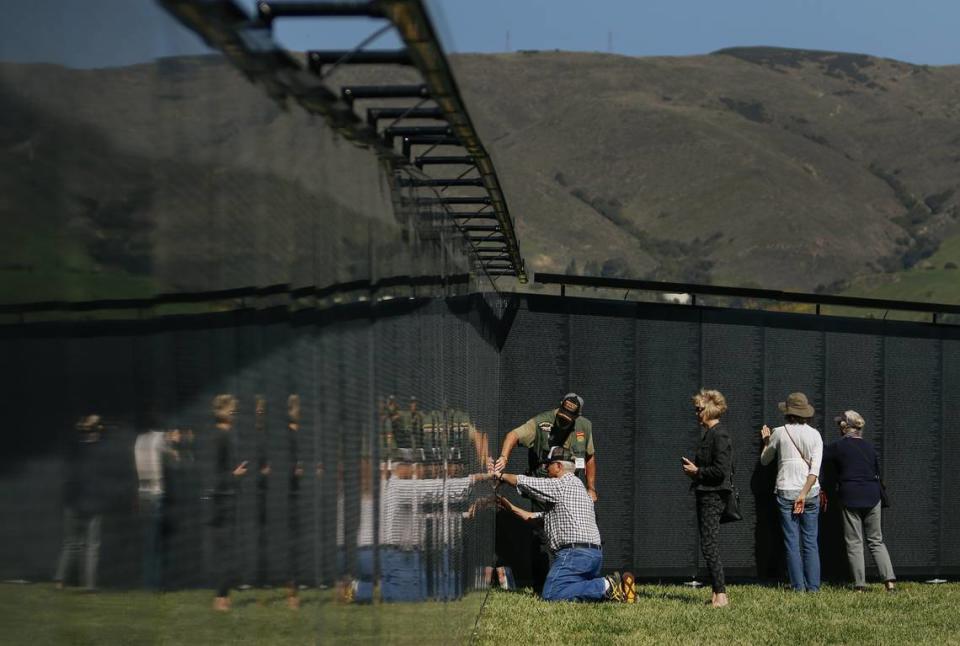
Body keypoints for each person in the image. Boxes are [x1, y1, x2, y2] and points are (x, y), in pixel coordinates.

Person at [493, 446, 630, 602]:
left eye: (548, 465)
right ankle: (613, 590)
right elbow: (537, 518)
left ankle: (605, 585)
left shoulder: (561, 484)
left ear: (558, 466)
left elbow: (524, 482)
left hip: (575, 555)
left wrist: (501, 476)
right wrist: (509, 506)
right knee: (574, 590)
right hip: (594, 557)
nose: (545, 468)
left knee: (552, 594)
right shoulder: (578, 489)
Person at [494, 394, 596, 594]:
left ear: (577, 418)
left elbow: (590, 457)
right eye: (561, 415)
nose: (563, 420)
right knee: (541, 533)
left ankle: (576, 581)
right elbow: (513, 435)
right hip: (545, 488)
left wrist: (591, 487)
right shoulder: (542, 423)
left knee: (572, 532)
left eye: (569, 418)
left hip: (570, 489)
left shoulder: (585, 427)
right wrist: (503, 459)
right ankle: (546, 584)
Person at [823, 410, 896, 592]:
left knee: (855, 542)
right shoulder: (870, 448)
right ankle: (890, 582)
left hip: (850, 495)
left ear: (844, 427)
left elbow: (821, 453)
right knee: (876, 540)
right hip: (872, 495)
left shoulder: (839, 447)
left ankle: (860, 584)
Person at [760, 392, 823, 592]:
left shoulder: (780, 432)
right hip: (810, 492)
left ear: (788, 413)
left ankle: (798, 587)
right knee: (811, 542)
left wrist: (766, 441)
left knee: (792, 542)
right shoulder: (815, 435)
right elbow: (815, 470)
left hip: (786, 490)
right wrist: (804, 494)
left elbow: (765, 460)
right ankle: (813, 587)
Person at [682, 389, 732, 608]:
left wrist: (697, 472)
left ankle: (721, 595)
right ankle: (716, 593)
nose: (696, 413)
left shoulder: (719, 435)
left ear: (710, 410)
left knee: (709, 545)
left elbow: (721, 470)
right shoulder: (710, 434)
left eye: (699, 409)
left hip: (713, 495)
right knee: (708, 544)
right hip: (706, 493)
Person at [54, 414, 110, 592]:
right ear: (98, 430)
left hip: (74, 502)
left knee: (71, 543)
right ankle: (89, 585)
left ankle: (60, 580)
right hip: (92, 503)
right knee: (92, 546)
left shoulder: (75, 449)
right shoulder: (101, 451)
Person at [211, 394, 247, 611]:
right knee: (226, 550)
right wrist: (234, 475)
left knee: (230, 549)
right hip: (221, 501)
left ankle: (224, 595)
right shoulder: (218, 437)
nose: (235, 414)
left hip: (229, 498)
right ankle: (220, 597)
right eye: (232, 410)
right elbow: (214, 475)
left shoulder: (228, 435)